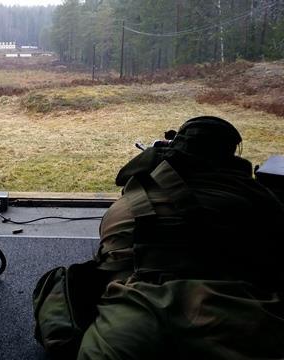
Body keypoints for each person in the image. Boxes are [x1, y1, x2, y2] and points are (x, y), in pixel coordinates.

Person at [78, 116, 284, 359]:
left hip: (134, 307)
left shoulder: (126, 206)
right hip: (235, 308)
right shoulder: (257, 200)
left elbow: (108, 257)